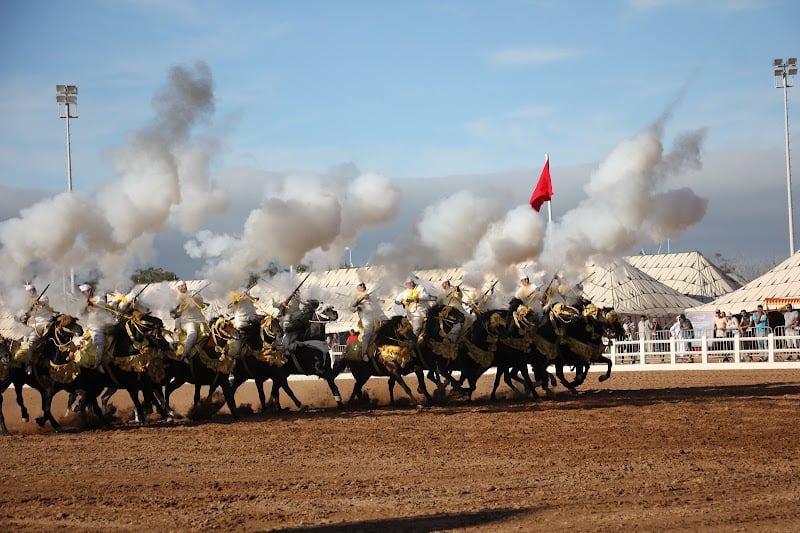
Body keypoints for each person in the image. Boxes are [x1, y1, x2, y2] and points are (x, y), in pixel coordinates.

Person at [15, 283, 56, 365]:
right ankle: (28, 364)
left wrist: (39, 303)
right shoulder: (24, 303)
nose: (32, 291)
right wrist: (23, 318)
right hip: (34, 326)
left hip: (46, 321)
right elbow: (17, 317)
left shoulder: (43, 297)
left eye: (33, 289)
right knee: (31, 343)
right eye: (30, 290)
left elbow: (44, 303)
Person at [170, 280, 207, 361]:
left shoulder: (193, 292)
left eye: (185, 285)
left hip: (201, 320)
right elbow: (173, 314)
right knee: (193, 334)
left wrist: (193, 298)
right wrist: (178, 312)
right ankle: (185, 355)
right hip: (188, 322)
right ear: (178, 288)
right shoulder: (177, 299)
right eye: (182, 286)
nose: (184, 287)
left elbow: (200, 300)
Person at [78, 283, 113, 368]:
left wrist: (91, 304)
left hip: (109, 322)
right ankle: (97, 364)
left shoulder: (98, 297)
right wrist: (84, 307)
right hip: (95, 326)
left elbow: (101, 303)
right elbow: (80, 315)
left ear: (90, 291)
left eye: (85, 292)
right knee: (100, 343)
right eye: (82, 292)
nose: (84, 294)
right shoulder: (81, 302)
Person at [350, 282, 385, 361]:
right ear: (357, 287)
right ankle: (364, 353)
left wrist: (369, 298)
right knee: (368, 333)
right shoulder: (355, 296)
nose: (363, 286)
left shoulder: (370, 293)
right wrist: (357, 308)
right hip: (366, 316)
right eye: (360, 285)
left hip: (376, 314)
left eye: (363, 284)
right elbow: (351, 308)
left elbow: (376, 303)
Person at [230, 288, 260, 358]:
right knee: (238, 337)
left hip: (250, 320)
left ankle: (236, 354)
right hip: (243, 322)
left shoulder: (248, 300)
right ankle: (237, 354)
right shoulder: (239, 300)